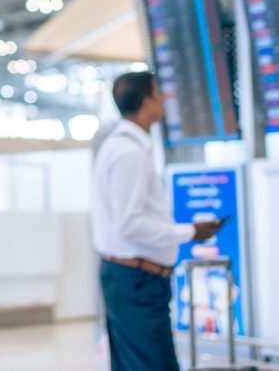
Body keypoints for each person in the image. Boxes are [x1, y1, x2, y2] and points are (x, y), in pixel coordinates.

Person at [91, 71, 221, 371]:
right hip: (137, 281)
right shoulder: (129, 153)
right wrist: (190, 232)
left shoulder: (120, 147)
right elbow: (130, 223)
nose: (164, 101)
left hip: (128, 278)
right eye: (159, 94)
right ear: (146, 102)